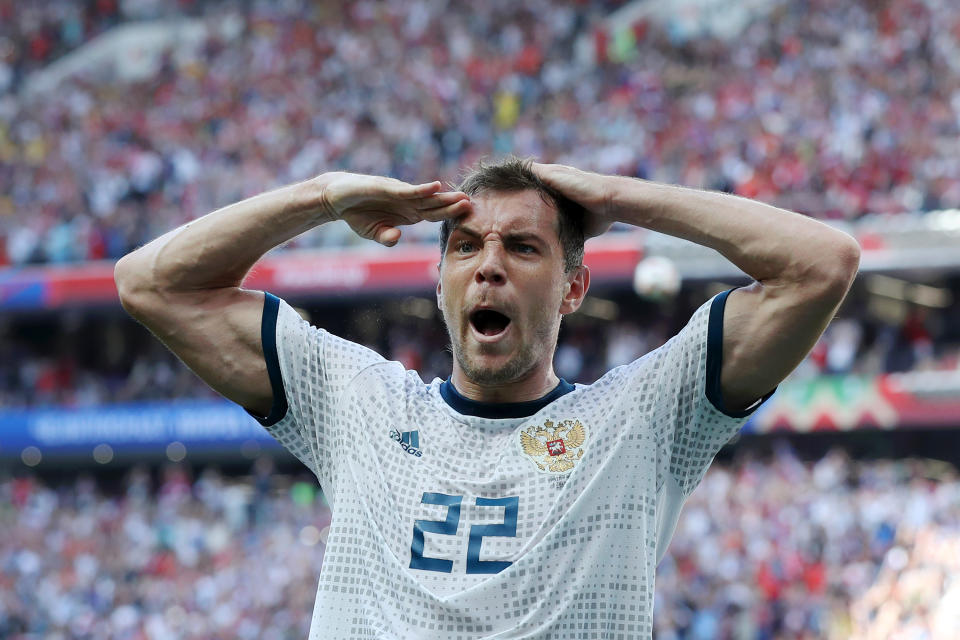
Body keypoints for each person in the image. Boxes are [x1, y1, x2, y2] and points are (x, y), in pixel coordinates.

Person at [115, 157, 860, 638]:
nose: (488, 267)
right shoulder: (355, 401)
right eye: (465, 247)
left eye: (523, 246)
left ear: (573, 287)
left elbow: (821, 264)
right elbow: (150, 283)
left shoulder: (642, 418)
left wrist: (617, 198)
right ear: (441, 282)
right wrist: (319, 196)